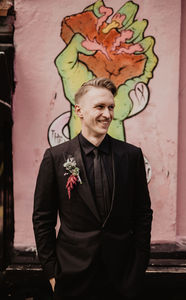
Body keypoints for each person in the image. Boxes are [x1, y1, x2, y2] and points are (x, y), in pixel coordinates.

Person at [32, 77, 153, 300]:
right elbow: (43, 218)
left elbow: (142, 214)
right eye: (99, 107)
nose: (107, 114)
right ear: (79, 110)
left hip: (123, 277)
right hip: (71, 275)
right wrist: (51, 272)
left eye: (111, 107)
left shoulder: (131, 156)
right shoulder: (56, 158)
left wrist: (138, 266)